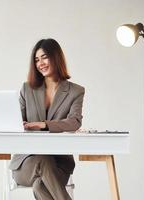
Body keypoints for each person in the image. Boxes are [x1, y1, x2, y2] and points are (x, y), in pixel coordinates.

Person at [9, 38, 85, 200]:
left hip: (59, 164)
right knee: (43, 162)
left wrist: (43, 125)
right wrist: (19, 124)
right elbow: (15, 121)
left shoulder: (75, 91)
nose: (40, 63)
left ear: (55, 57)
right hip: (26, 162)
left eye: (44, 57)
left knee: (40, 186)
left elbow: (74, 122)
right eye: (36, 60)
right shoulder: (26, 89)